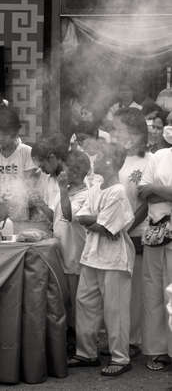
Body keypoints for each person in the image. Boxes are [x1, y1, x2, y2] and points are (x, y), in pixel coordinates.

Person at [69, 142, 135, 377]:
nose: (95, 160)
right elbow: (81, 216)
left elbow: (106, 228)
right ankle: (86, 353)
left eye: (102, 158)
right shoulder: (96, 185)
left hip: (114, 259)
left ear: (112, 164)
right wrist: (94, 220)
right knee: (85, 303)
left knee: (114, 310)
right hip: (92, 256)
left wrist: (93, 220)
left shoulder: (117, 191)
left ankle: (120, 358)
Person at [111, 107, 153, 359]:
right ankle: (121, 339)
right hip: (112, 233)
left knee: (136, 293)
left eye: (119, 129)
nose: (115, 133)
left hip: (136, 233)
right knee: (117, 293)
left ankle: (135, 340)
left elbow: (147, 202)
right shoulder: (114, 158)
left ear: (136, 133)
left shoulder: (149, 160)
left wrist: (127, 225)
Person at [138, 140, 172, 371]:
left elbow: (150, 190)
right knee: (153, 292)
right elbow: (142, 192)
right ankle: (157, 351)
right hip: (155, 233)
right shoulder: (158, 156)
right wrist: (166, 193)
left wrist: (155, 190)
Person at [53, 149, 90, 355]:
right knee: (64, 301)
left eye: (67, 167)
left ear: (75, 172)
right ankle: (67, 338)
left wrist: (61, 190)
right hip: (61, 254)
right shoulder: (67, 190)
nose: (63, 171)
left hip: (74, 257)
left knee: (75, 303)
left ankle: (77, 343)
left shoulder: (85, 194)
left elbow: (68, 215)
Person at [29, 133, 69, 222]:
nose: (42, 171)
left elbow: (61, 218)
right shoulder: (49, 178)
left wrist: (40, 203)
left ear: (52, 158)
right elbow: (51, 216)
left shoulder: (71, 179)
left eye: (42, 166)